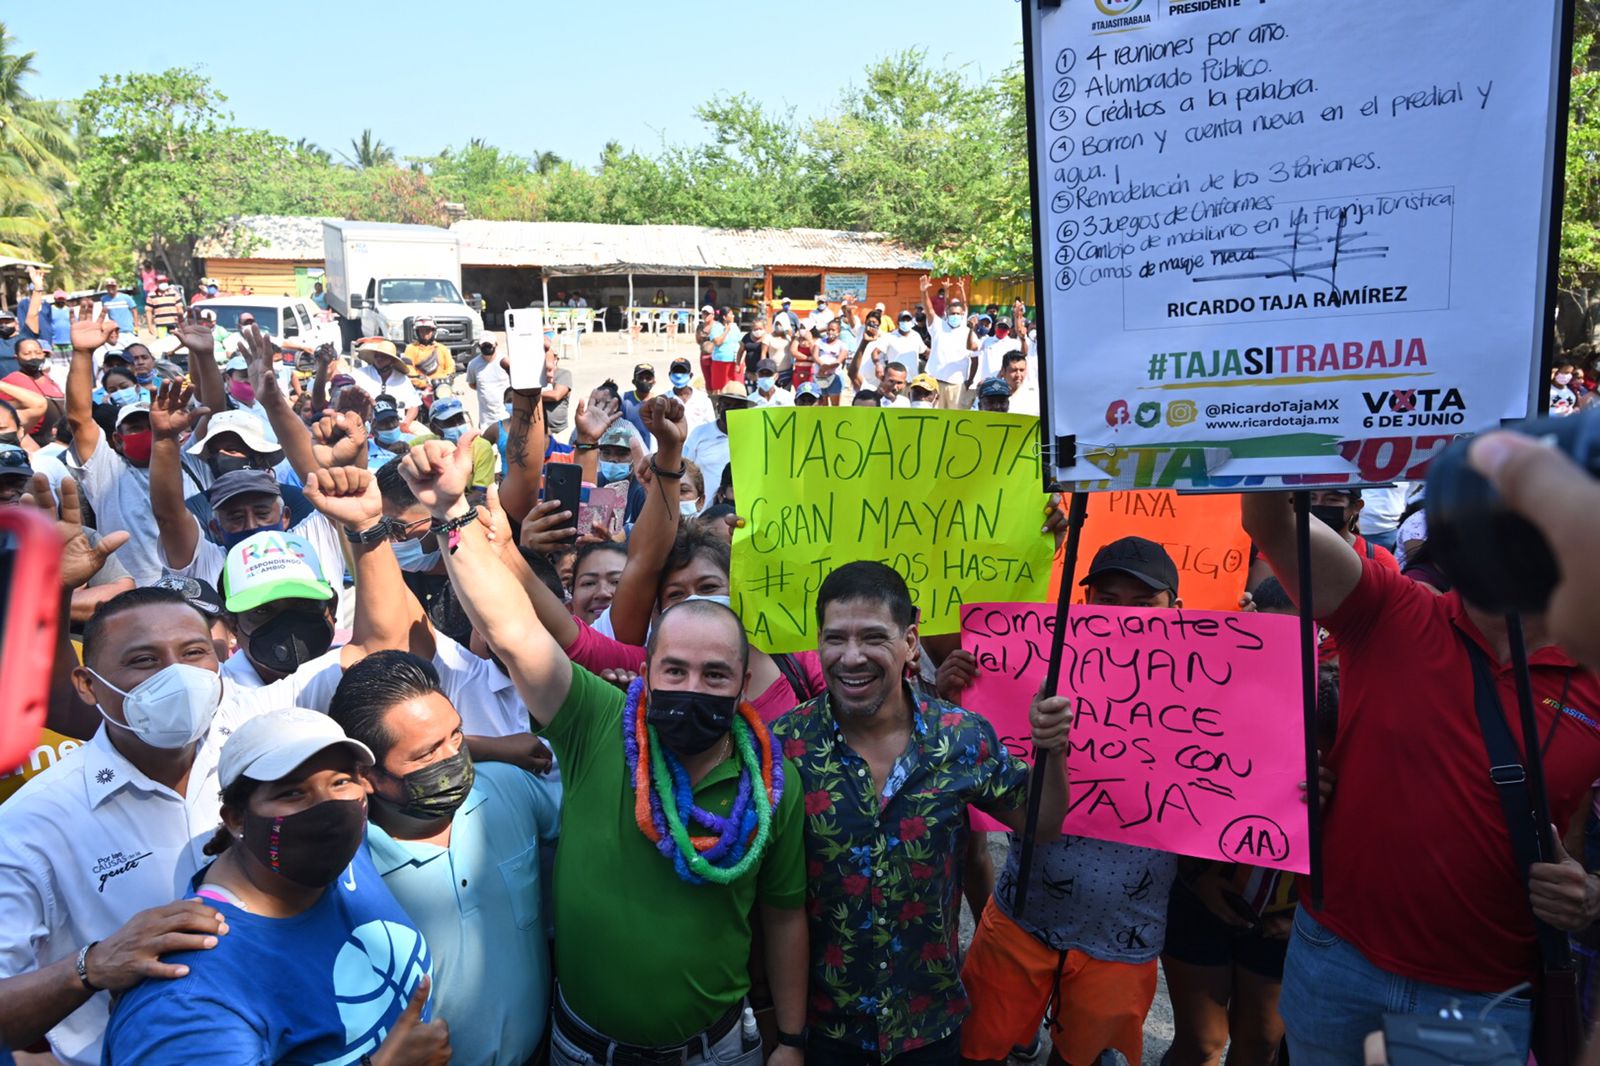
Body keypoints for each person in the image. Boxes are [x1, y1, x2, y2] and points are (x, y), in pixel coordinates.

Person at [396, 436, 808, 1066]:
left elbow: (784, 917)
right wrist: (454, 512)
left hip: (716, 1051)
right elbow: (511, 630)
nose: (692, 688)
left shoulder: (771, 780)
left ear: (742, 679)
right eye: (674, 669)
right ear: (647, 669)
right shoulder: (596, 721)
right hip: (585, 1051)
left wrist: (794, 1039)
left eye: (714, 675)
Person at [1241, 489, 1600, 1064]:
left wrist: (1592, 896)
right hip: (1337, 959)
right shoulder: (1390, 609)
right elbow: (1272, 525)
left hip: (1476, 991)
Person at [772, 561, 1072, 1063]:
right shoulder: (784, 748)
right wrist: (787, 1035)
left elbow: (1042, 823)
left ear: (911, 641)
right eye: (834, 639)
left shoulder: (961, 736)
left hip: (930, 1027)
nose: (851, 657)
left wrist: (1053, 748)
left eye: (872, 638)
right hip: (825, 1032)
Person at [101, 707, 449, 1065]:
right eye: (293, 793)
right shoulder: (189, 999)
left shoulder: (343, 856)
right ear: (237, 818)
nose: (329, 807)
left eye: (340, 781)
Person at [956, 538, 1185, 1066]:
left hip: (1124, 935)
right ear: (1085, 608)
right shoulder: (1041, 664)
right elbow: (975, 765)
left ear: (1176, 608)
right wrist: (955, 698)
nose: (1125, 619)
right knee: (972, 1049)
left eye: (1144, 604)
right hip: (1021, 917)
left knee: (1086, 1060)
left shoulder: (1212, 689)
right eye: (1108, 602)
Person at [330, 652, 562, 1066]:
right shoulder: (343, 872)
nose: (453, 758)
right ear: (368, 776)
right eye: (425, 755)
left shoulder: (510, 788)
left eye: (456, 735)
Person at [684, 380, 747, 510]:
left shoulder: (753, 437)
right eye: (727, 404)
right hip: (704, 515)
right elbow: (685, 470)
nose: (731, 410)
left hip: (744, 512)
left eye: (737, 407)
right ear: (718, 407)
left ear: (745, 410)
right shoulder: (700, 434)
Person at [920, 275, 979, 411]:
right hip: (934, 383)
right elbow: (929, 310)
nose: (955, 316)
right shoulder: (938, 326)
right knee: (934, 420)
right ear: (947, 313)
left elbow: (975, 358)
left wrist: (970, 380)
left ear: (963, 314)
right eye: (952, 313)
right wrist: (924, 292)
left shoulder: (968, 332)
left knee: (954, 420)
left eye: (958, 314)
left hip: (957, 385)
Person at [418, 396, 498, 491]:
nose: (458, 426)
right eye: (449, 422)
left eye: (460, 419)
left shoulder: (481, 447)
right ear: (434, 429)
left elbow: (480, 491)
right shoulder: (426, 443)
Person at [2, 336, 65, 441]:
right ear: (16, 357)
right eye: (27, 354)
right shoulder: (10, 382)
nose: (34, 357)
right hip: (34, 440)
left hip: (58, 438)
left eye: (38, 353)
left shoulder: (52, 378)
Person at [350, 337, 422, 424]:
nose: (379, 359)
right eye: (377, 356)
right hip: (366, 423)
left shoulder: (402, 379)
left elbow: (414, 406)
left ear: (392, 360)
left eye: (384, 357)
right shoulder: (359, 374)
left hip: (396, 425)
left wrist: (406, 423)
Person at [465, 337, 510, 430]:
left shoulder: (505, 361)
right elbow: (472, 384)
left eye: (489, 345)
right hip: (486, 418)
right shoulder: (473, 364)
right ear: (479, 346)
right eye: (484, 345)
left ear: (496, 345)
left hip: (505, 414)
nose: (486, 347)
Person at [404, 316, 455, 394]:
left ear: (433, 331)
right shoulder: (411, 349)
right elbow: (409, 371)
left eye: (427, 331)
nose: (424, 334)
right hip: (420, 390)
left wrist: (442, 381)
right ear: (417, 332)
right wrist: (424, 383)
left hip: (441, 388)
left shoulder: (442, 349)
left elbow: (450, 368)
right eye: (421, 331)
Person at [666, 355, 716, 431]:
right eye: (676, 371)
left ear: (691, 375)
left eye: (682, 371)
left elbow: (711, 424)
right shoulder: (665, 399)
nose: (679, 375)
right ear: (670, 375)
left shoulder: (702, 398)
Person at [620, 362, 656, 447]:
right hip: (629, 451)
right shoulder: (624, 400)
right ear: (634, 381)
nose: (644, 381)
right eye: (640, 378)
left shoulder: (658, 402)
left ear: (654, 382)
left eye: (648, 378)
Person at [814, 320, 846, 405]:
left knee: (835, 406)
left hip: (834, 377)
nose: (830, 332)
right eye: (828, 329)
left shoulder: (842, 345)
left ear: (838, 332)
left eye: (833, 330)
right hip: (819, 377)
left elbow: (839, 361)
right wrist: (821, 366)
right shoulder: (819, 342)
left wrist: (825, 368)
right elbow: (815, 356)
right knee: (823, 405)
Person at [1001, 349, 1040, 417]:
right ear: (1003, 371)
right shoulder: (992, 394)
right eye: (1014, 370)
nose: (1018, 375)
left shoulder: (1036, 395)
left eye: (1022, 370)